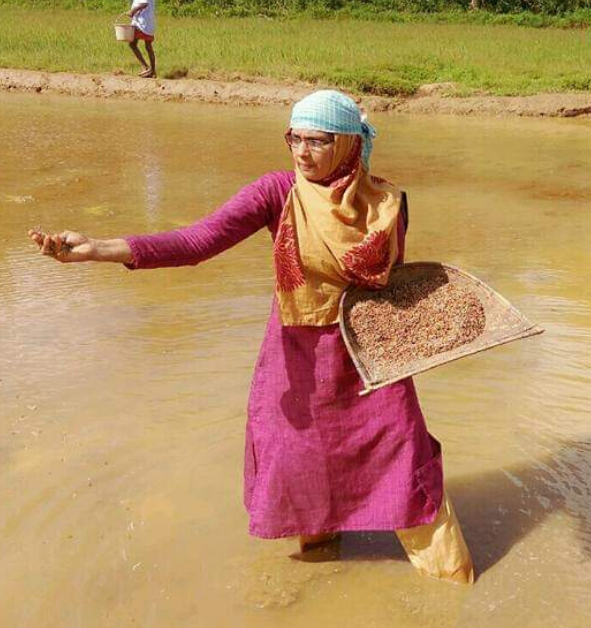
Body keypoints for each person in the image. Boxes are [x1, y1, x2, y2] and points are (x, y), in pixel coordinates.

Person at [28, 90, 474, 583]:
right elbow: (197, 241)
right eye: (294, 139)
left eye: (317, 140)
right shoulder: (278, 193)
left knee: (406, 467)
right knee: (309, 476)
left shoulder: (387, 203)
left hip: (372, 363)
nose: (301, 152)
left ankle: (453, 585)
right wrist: (100, 248)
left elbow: (397, 287)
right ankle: (323, 582)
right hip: (300, 363)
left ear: (348, 143)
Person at [128, 0, 156, 79]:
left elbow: (144, 3)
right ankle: (152, 70)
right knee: (148, 45)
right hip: (147, 22)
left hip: (142, 23)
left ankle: (146, 68)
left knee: (132, 44)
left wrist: (132, 11)